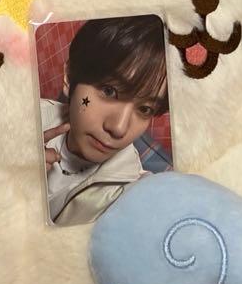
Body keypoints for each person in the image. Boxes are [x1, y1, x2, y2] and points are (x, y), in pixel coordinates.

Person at [40, 15, 169, 226]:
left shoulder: (131, 193)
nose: (119, 128)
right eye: (109, 91)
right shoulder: (23, 119)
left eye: (145, 109)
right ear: (69, 77)